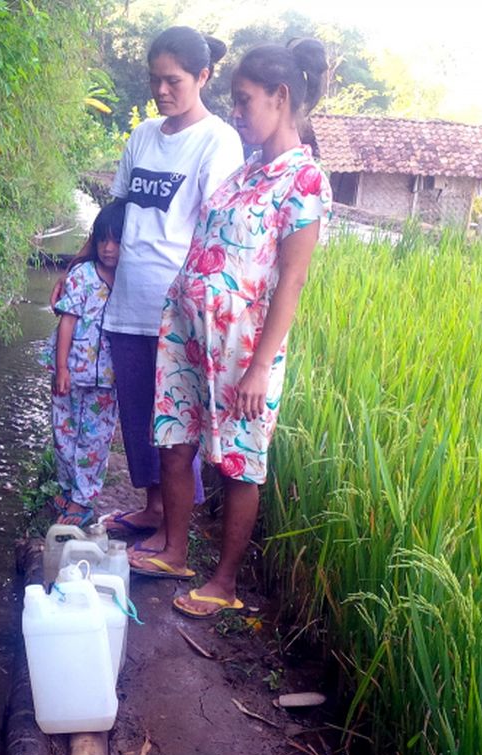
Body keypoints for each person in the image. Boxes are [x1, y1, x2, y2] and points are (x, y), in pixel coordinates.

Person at [130, 39, 333, 617]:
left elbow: (290, 281)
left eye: (244, 101)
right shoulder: (247, 169)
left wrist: (260, 366)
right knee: (173, 438)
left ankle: (223, 582)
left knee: (240, 459)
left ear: (281, 96)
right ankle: (174, 550)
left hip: (241, 348)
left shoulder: (304, 181)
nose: (236, 112)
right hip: (188, 331)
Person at [92, 26, 246, 543]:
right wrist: (85, 268)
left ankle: (176, 527)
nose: (161, 91)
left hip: (179, 305)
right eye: (155, 80)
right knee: (138, 416)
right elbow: (117, 213)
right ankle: (153, 508)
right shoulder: (142, 137)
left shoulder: (219, 141)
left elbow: (218, 228)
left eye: (173, 80)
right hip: (129, 298)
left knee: (176, 425)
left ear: (203, 77)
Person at [41, 201, 126, 527]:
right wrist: (61, 368)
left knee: (95, 440)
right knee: (63, 434)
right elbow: (67, 321)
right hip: (71, 372)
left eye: (117, 241)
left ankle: (83, 500)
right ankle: (67, 488)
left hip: (106, 378)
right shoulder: (82, 275)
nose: (108, 248)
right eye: (102, 240)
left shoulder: (128, 281)